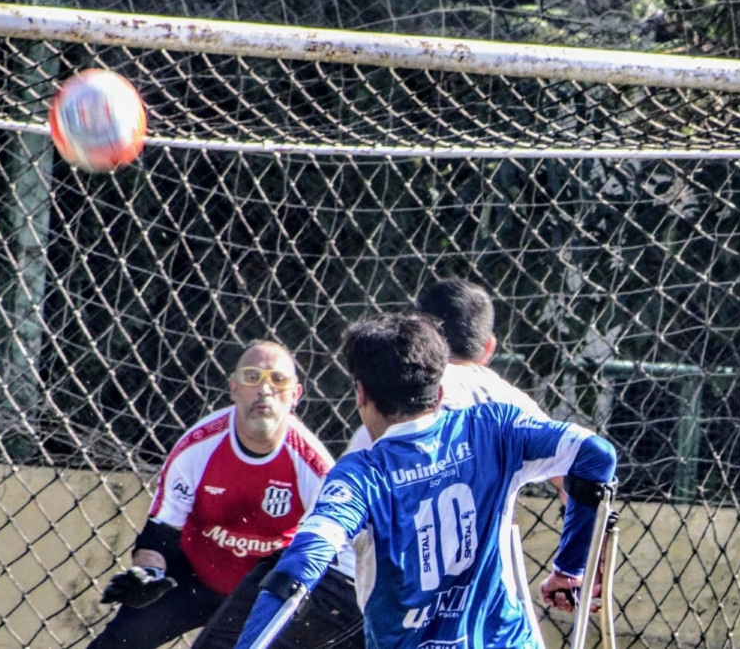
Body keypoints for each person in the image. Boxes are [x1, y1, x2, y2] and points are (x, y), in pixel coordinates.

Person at [228, 313, 618, 649]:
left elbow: (303, 563)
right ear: (440, 391)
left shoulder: (362, 476)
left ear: (361, 395)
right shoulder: (495, 427)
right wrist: (571, 564)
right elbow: (597, 454)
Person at [88, 340, 359, 649]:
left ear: (296, 394)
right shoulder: (197, 447)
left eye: (278, 380)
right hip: (193, 576)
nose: (265, 390)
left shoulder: (314, 466)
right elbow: (160, 532)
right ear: (233, 388)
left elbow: (335, 548)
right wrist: (148, 574)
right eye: (252, 377)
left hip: (264, 592)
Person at [343, 277, 551, 454]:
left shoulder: (405, 395)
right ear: (489, 346)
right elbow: (572, 470)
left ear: (420, 335)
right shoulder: (512, 401)